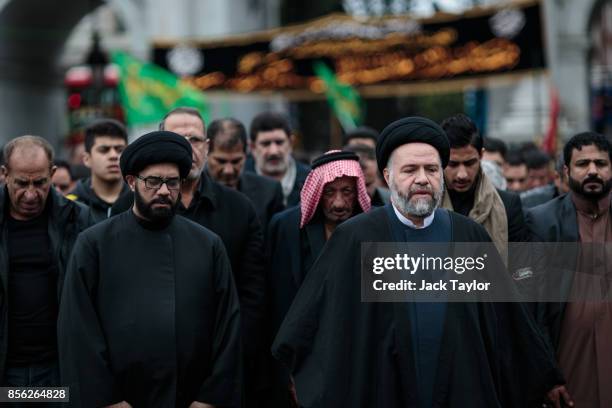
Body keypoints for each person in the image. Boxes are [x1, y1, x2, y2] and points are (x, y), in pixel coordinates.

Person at [271, 117, 563, 408]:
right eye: (410, 170)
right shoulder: (356, 237)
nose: (422, 178)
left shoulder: (467, 235)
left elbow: (509, 320)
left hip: (459, 388)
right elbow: (316, 321)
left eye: (432, 169)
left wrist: (546, 377)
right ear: (388, 176)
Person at [58, 131, 241, 408]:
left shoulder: (208, 245)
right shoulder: (94, 244)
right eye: (153, 182)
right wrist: (107, 399)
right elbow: (77, 329)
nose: (164, 191)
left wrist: (210, 398)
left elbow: (228, 327)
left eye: (172, 182)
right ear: (132, 182)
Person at [156, 107, 265, 408]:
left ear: (206, 146)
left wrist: (223, 378)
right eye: (177, 138)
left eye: (194, 139)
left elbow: (252, 300)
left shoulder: (240, 210)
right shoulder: (138, 206)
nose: (186, 147)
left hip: (222, 369)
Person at [266, 150, 371, 406]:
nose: (338, 203)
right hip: (305, 355)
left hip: (361, 353)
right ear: (316, 193)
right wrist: (288, 370)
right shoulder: (286, 227)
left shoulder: (376, 226)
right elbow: (278, 303)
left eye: (346, 192)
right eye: (328, 193)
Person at [526, 131, 612, 408]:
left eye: (600, 164)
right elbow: (532, 310)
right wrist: (547, 376)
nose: (592, 171)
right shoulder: (541, 222)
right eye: (582, 164)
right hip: (569, 367)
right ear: (566, 170)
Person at [0, 136, 90, 396]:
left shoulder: (77, 219)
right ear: (5, 174)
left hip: (57, 367)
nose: (30, 194)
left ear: (52, 174)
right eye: (21, 183)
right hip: (6, 370)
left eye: (40, 183)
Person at [440, 114, 529, 258]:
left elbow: (521, 269)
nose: (462, 174)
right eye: (453, 164)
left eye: (469, 163)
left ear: (481, 156)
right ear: (441, 159)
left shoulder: (508, 205)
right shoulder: (425, 206)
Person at [206, 117, 284, 227]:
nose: (228, 170)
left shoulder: (269, 192)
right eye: (221, 161)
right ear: (206, 152)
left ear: (246, 154)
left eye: (236, 161)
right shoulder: (189, 191)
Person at [244, 112, 310, 207]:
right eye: (265, 144)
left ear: (291, 143)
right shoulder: (239, 181)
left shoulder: (310, 180)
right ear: (252, 147)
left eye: (279, 142)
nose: (273, 151)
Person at [71, 119, 131, 222]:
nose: (113, 156)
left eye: (120, 150)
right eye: (104, 150)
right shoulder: (70, 206)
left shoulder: (140, 202)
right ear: (86, 159)